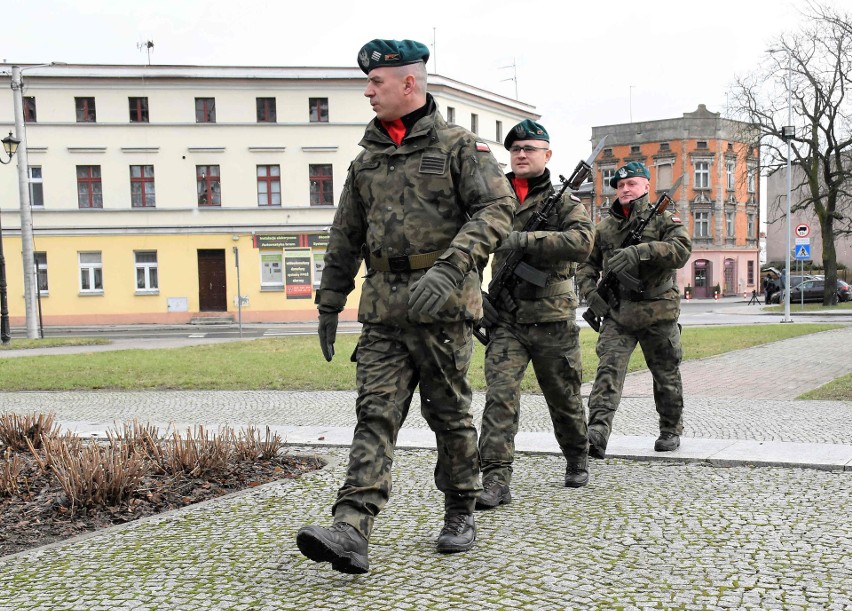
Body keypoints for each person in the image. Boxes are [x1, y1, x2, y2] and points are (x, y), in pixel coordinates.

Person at [295, 38, 516, 574]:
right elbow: (344, 236)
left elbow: (497, 207)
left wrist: (451, 265)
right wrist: (329, 302)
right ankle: (351, 526)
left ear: (408, 83)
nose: (368, 91)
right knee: (374, 414)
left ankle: (460, 508)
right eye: (368, 82)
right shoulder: (366, 162)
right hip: (383, 313)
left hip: (442, 309)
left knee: (449, 415)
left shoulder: (461, 147)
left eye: (377, 82)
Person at [476, 120, 595, 510]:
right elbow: (467, 245)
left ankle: (577, 456)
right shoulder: (493, 198)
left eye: (529, 148)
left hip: (552, 321)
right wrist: (475, 297)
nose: (521, 155)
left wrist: (522, 239)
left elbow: (582, 243)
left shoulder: (564, 202)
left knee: (563, 398)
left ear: (547, 154)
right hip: (506, 319)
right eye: (515, 149)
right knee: (499, 398)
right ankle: (495, 478)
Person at [576, 161, 692, 458]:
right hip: (619, 313)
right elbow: (586, 266)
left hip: (658, 310)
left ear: (646, 187)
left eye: (631, 184)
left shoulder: (663, 219)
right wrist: (591, 293)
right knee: (607, 371)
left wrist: (641, 251)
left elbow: (681, 251)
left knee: (666, 373)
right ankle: (597, 431)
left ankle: (670, 428)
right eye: (620, 185)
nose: (625, 189)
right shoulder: (604, 227)